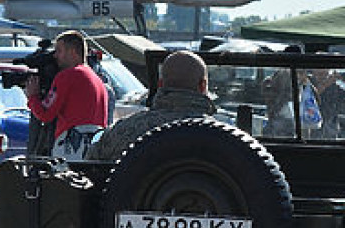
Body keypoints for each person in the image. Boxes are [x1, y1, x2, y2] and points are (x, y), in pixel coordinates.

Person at [87, 49, 215, 160]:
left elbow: (88, 170)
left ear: (160, 84)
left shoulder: (124, 132)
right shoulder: (222, 137)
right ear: (202, 86)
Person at [25, 30, 108, 161]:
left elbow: (45, 114)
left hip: (72, 146)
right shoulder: (96, 78)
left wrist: (33, 96)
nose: (55, 56)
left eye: (59, 51)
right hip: (93, 145)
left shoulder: (68, 76)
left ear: (73, 52)